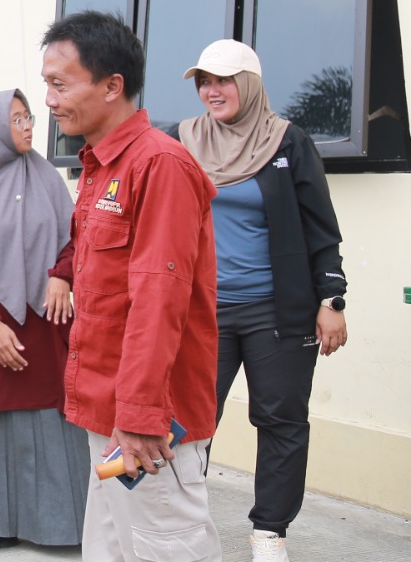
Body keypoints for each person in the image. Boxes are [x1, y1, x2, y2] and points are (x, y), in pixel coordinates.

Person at [40, 10, 222, 562]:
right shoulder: (99, 168)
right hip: (110, 413)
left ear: (112, 86)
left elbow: (158, 299)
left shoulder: (159, 166)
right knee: (113, 548)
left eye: (60, 83)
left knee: (166, 547)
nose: (49, 100)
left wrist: (141, 416)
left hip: (148, 424)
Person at [178, 40, 348, 562]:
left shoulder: (286, 142)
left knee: (281, 421)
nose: (212, 90)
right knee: (186, 420)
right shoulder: (182, 141)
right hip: (202, 309)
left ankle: (269, 533)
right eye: (204, 80)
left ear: (249, 84)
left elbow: (320, 226)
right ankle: (181, 524)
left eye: (224, 80)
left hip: (278, 309)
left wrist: (332, 299)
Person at [0, 90, 88, 558]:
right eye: (16, 119)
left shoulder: (46, 177)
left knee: (53, 418)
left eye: (28, 117)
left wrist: (63, 276)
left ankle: (63, 522)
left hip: (47, 320)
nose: (28, 126)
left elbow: (75, 236)